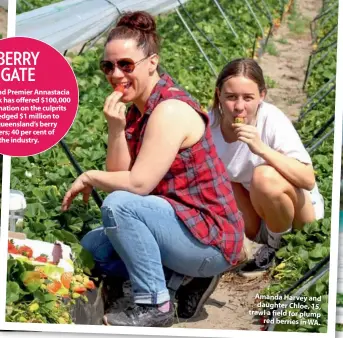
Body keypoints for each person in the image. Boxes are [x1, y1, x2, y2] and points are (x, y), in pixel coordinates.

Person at [61, 11, 246, 327]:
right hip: (179, 224)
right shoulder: (139, 111)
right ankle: (180, 276)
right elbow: (123, 175)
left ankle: (155, 304)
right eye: (108, 66)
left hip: (211, 240)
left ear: (152, 62)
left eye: (126, 65)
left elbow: (136, 186)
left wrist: (90, 175)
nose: (116, 74)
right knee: (95, 246)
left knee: (119, 208)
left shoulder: (169, 110)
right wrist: (116, 129)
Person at [209, 58, 325, 277]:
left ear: (262, 95)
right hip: (259, 218)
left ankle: (278, 249)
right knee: (221, 179)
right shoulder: (208, 126)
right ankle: (249, 244)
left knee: (264, 176)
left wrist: (261, 149)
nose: (239, 107)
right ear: (219, 94)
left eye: (248, 98)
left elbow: (308, 179)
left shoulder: (271, 120)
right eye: (231, 97)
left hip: (298, 216)